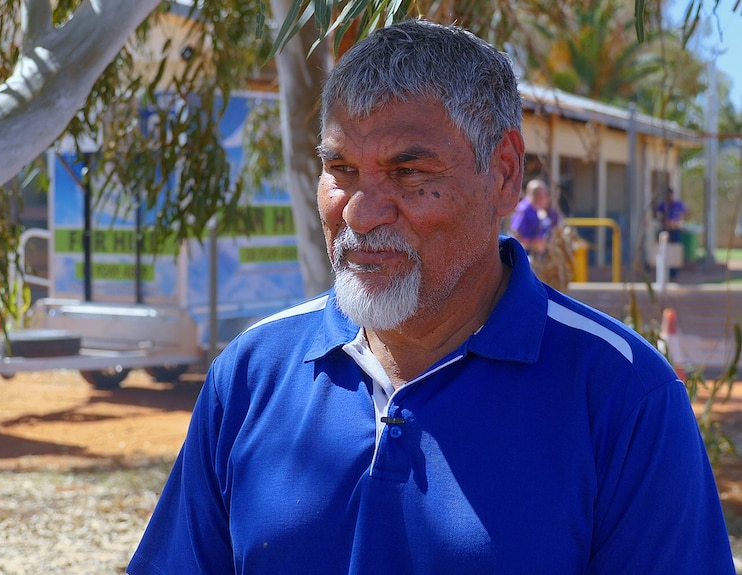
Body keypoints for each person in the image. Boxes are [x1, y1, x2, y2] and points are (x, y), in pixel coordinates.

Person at [128, 20, 734, 574]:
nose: (361, 214)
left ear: (502, 175)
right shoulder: (251, 374)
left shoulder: (623, 397)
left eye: (408, 173)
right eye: (341, 170)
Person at [510, 178, 561, 254]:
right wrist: (534, 244)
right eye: (545, 194)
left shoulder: (539, 210)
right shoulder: (524, 210)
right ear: (538, 196)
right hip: (526, 255)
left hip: (539, 256)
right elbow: (516, 236)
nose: (548, 198)